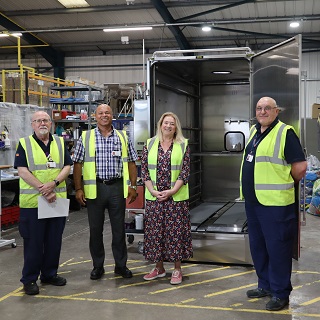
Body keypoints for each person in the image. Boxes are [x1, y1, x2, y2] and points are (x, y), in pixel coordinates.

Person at [240, 97, 307, 311]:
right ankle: (265, 285)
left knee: (278, 249)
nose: (262, 111)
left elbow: (300, 167)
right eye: (259, 108)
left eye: (267, 108)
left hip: (276, 205)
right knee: (259, 248)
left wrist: (282, 182)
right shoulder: (253, 132)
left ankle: (280, 293)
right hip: (253, 202)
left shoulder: (285, 133)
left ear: (276, 111)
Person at [73, 104, 138, 280]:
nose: (104, 115)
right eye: (100, 113)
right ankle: (98, 266)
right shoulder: (86, 137)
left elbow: (132, 162)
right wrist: (78, 188)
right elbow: (77, 164)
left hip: (117, 188)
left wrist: (133, 186)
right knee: (96, 230)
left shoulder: (123, 137)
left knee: (119, 230)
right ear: (95, 116)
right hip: (95, 188)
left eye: (107, 112)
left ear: (112, 115)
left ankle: (121, 265)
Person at [14, 111, 72, 295]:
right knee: (34, 243)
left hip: (57, 201)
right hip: (33, 203)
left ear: (51, 123)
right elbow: (22, 171)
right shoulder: (24, 144)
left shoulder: (61, 143)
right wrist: (44, 189)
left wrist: (53, 184)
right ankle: (29, 279)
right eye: (38, 121)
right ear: (32, 124)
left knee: (54, 242)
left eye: (45, 120)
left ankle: (49, 274)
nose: (42, 123)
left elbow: (67, 167)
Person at [141, 112, 193, 285]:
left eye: (172, 123)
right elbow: (145, 171)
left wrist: (171, 191)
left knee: (175, 234)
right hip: (154, 198)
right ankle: (159, 268)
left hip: (175, 198)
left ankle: (177, 269)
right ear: (160, 125)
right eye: (166, 123)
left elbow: (185, 172)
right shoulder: (150, 144)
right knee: (156, 234)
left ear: (176, 126)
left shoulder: (183, 145)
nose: (168, 126)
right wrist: (153, 191)